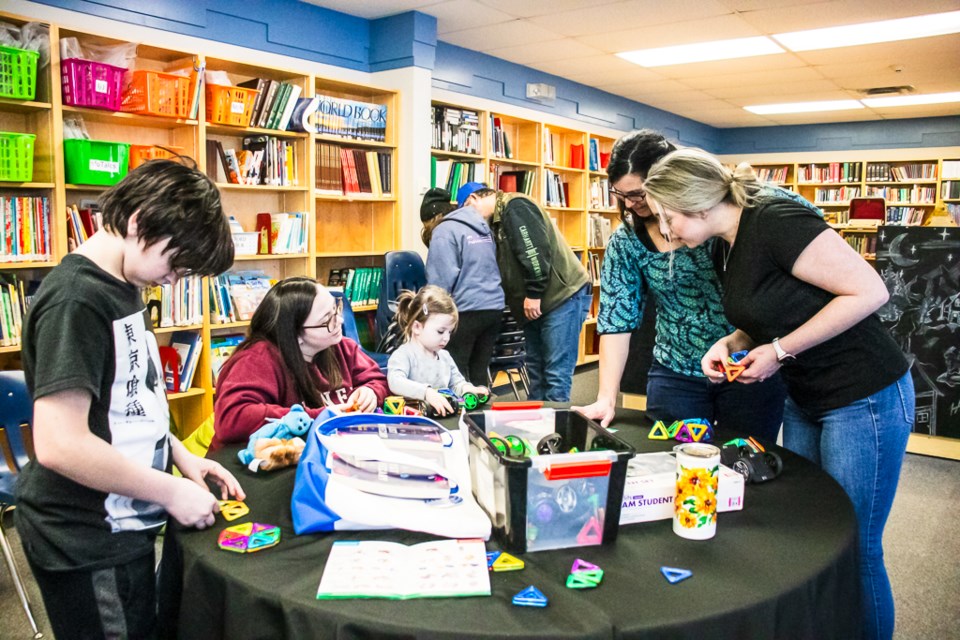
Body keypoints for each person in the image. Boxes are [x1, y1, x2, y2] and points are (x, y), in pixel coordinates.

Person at [643, 147, 913, 640]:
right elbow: (769, 312)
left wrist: (780, 351)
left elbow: (870, 291)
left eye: (669, 216)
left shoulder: (775, 219)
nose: (665, 230)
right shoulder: (727, 242)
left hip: (863, 395)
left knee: (856, 543)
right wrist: (730, 343)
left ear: (698, 203)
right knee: (815, 531)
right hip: (807, 395)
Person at [17, 159, 245, 639]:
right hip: (88, 538)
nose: (172, 283)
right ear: (139, 222)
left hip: (122, 523)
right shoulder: (77, 300)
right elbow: (60, 443)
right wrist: (168, 491)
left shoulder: (124, 284)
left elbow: (131, 401)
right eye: (175, 265)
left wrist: (183, 459)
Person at [574, 130, 791, 440]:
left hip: (745, 366)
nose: (633, 204)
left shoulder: (724, 219)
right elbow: (615, 319)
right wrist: (607, 397)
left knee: (744, 462)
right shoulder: (627, 241)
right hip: (675, 370)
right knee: (672, 461)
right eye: (622, 196)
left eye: (639, 194)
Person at [211, 277, 389, 450]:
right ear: (295, 335)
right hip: (260, 464)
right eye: (327, 320)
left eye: (337, 309)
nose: (340, 321)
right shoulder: (256, 360)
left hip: (322, 451)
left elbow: (377, 380)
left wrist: (371, 392)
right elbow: (232, 419)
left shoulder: (340, 346)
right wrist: (321, 416)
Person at [456, 181, 591, 402]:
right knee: (536, 372)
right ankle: (538, 429)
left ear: (473, 200)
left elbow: (535, 251)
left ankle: (557, 433)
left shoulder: (515, 206)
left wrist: (534, 294)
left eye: (466, 212)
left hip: (559, 298)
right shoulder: (496, 223)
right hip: (537, 305)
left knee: (556, 374)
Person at [420, 186, 505, 385]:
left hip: (466, 310)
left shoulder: (444, 231)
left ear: (433, 217)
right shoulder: (481, 226)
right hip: (494, 307)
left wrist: (427, 314)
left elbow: (440, 282)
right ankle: (481, 412)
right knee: (479, 371)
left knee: (454, 371)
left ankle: (456, 413)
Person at [387, 285, 490, 416]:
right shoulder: (403, 355)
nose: (446, 338)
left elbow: (456, 384)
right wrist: (426, 393)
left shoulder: (445, 356)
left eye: (449, 332)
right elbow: (395, 382)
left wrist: (469, 389)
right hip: (414, 423)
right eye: (440, 331)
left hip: (443, 418)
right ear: (417, 327)